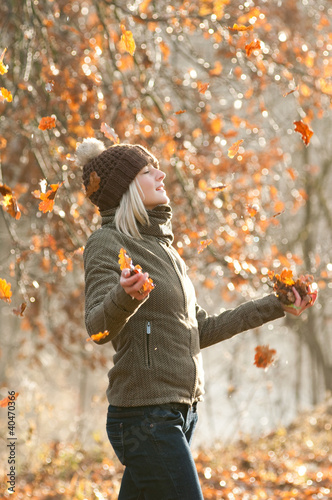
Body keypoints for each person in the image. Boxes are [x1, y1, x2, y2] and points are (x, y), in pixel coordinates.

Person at [77, 138, 318, 500]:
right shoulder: (106, 242)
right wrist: (125, 297)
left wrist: (276, 305)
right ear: (126, 187)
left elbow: (200, 328)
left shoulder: (166, 250)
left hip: (182, 413)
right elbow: (98, 328)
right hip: (145, 417)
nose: (160, 174)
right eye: (147, 171)